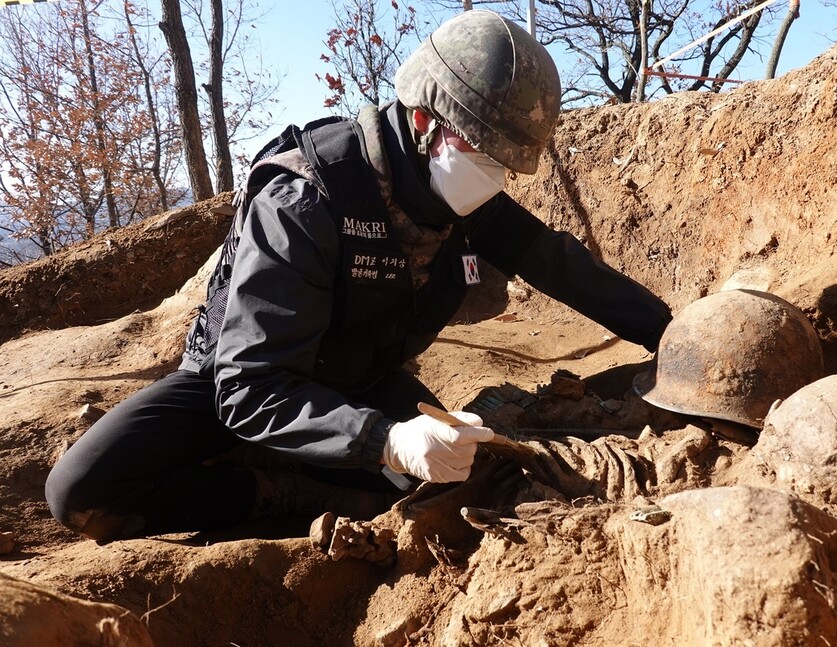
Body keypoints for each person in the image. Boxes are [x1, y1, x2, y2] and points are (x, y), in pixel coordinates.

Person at [45, 10, 672, 543]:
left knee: (458, 480)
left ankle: (330, 483)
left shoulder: (460, 196)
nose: (497, 177)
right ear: (426, 124)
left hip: (362, 383)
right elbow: (249, 384)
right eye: (486, 155)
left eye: (509, 163)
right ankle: (271, 489)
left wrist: (673, 338)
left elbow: (556, 263)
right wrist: (385, 440)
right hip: (244, 385)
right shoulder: (305, 198)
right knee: (81, 490)